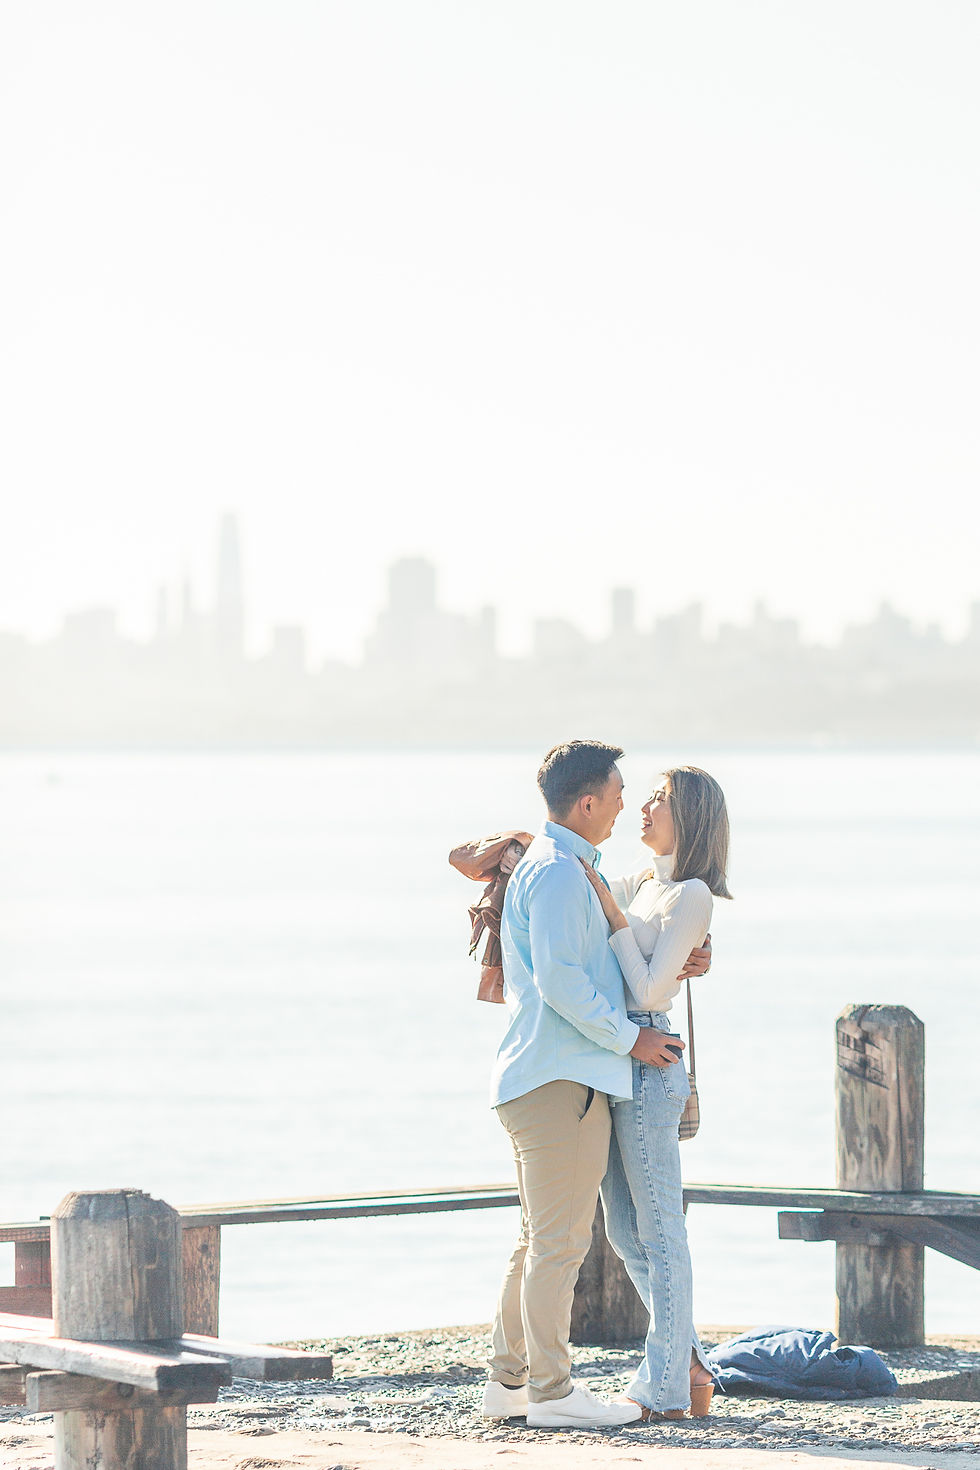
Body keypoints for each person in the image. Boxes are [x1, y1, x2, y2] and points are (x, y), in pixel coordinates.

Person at [482, 742, 711, 1429]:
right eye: (616, 793)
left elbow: (613, 962)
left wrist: (681, 958)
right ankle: (551, 1394)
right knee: (559, 1245)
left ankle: (507, 1382)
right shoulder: (557, 873)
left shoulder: (573, 869)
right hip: (563, 1078)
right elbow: (561, 983)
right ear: (587, 802)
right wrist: (632, 1038)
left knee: (537, 1239)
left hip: (552, 1075)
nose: (624, 803)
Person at [581, 765, 732, 1420]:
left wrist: (616, 915)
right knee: (622, 1227)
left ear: (691, 816)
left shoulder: (691, 892)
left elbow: (646, 990)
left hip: (650, 1057)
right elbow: (585, 915)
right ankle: (691, 1363)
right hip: (618, 1057)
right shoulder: (646, 882)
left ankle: (665, 1387)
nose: (644, 806)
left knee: (661, 1230)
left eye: (662, 799)